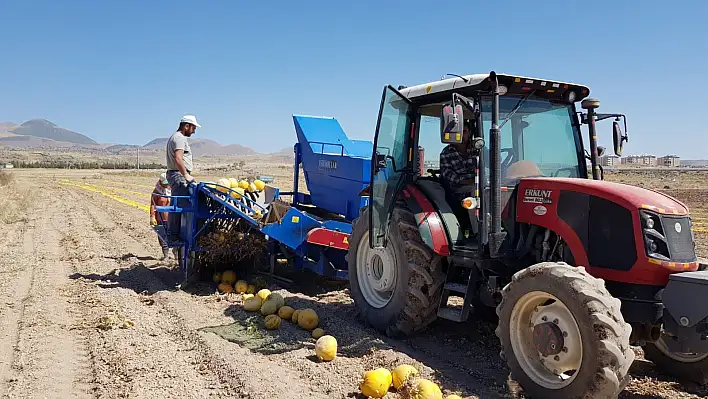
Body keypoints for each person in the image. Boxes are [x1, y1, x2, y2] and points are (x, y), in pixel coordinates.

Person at [439, 118, 479, 235]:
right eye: (459, 132)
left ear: (470, 133)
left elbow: (489, 164)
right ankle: (479, 233)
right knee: (476, 193)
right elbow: (450, 176)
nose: (462, 135)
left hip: (478, 183)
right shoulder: (446, 153)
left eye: (465, 131)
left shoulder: (477, 149)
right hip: (457, 189)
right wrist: (471, 182)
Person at [165, 115, 200, 246]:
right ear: (186, 126)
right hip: (178, 175)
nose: (194, 131)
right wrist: (185, 174)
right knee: (178, 206)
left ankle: (175, 233)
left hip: (176, 174)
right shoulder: (179, 138)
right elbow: (178, 158)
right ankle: (173, 236)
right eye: (193, 128)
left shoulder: (176, 137)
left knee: (179, 205)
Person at [150, 172, 172, 260]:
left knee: (174, 235)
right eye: (165, 183)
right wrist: (152, 216)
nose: (166, 185)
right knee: (162, 236)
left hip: (172, 218)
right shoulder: (156, 192)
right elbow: (152, 204)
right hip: (161, 218)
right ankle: (166, 255)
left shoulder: (172, 190)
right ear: (161, 182)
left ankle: (176, 254)